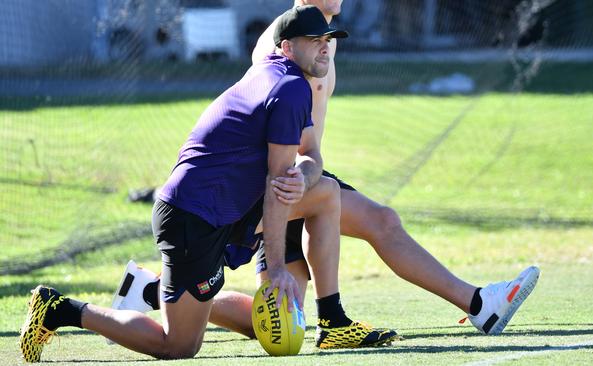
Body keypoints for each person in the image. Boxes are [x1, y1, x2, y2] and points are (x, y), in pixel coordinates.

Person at [115, 0, 540, 339]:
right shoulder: (283, 44)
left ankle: (152, 292)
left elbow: (308, 144)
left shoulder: (321, 40)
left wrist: (309, 170)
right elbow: (274, 142)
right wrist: (297, 183)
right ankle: (471, 306)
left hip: (294, 175)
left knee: (279, 321)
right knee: (380, 220)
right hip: (268, 185)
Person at [19, 6, 397, 363]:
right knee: (179, 346)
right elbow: (278, 184)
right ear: (286, 46)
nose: (324, 47)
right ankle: (60, 309)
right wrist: (277, 266)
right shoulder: (289, 88)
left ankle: (331, 318)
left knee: (324, 196)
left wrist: (305, 177)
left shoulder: (282, 76)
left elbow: (308, 157)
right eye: (314, 40)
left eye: (327, 39)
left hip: (225, 208)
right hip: (192, 220)